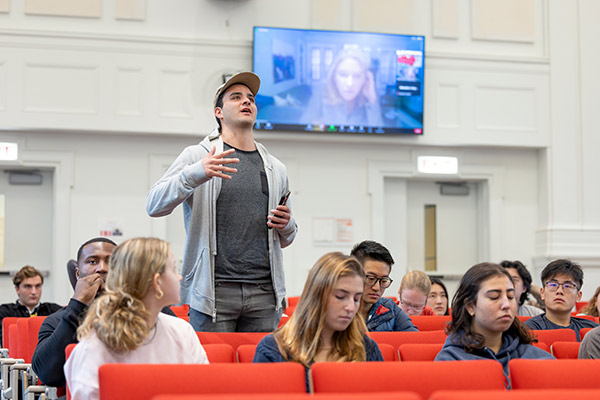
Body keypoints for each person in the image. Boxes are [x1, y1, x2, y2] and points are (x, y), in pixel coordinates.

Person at [147, 72, 297, 332]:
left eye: (250, 98)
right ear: (218, 112)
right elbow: (154, 205)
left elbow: (287, 237)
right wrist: (196, 173)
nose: (246, 102)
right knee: (212, 371)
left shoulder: (275, 167)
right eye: (236, 97)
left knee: (261, 372)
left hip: (264, 292)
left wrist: (287, 225)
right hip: (213, 291)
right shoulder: (198, 155)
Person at [64, 238, 208, 400]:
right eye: (173, 269)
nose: (179, 277)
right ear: (157, 282)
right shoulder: (95, 345)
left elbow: (202, 390)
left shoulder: (182, 331)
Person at [31, 237, 174, 388]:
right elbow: (48, 375)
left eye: (111, 262)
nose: (102, 268)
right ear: (78, 274)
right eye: (92, 262)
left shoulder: (152, 310)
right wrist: (78, 303)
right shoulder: (57, 320)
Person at [253, 252, 383, 390]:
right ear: (316, 296)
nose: (351, 307)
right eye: (340, 296)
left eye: (357, 299)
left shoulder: (366, 348)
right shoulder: (274, 348)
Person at [435, 263, 553, 387]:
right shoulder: (450, 361)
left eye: (510, 296)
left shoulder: (535, 357)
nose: (506, 304)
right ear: (470, 306)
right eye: (494, 297)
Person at [302, 48, 383, 127]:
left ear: (365, 79)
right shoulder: (321, 92)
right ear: (334, 77)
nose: (350, 84)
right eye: (343, 75)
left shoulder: (370, 97)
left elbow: (380, 136)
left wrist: (372, 101)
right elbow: (304, 127)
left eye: (357, 76)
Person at [350, 240, 416, 331]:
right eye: (371, 278)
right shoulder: (336, 310)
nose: (377, 288)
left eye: (383, 280)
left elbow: (415, 339)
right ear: (352, 274)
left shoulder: (390, 308)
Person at [525, 259, 598, 341]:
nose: (559, 291)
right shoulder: (530, 329)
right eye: (553, 285)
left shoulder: (592, 330)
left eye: (567, 286)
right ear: (542, 293)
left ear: (578, 296)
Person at [0, 265, 62, 344]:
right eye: (28, 286)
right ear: (17, 289)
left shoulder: (54, 311)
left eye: (37, 286)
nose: (34, 292)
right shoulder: (5, 313)